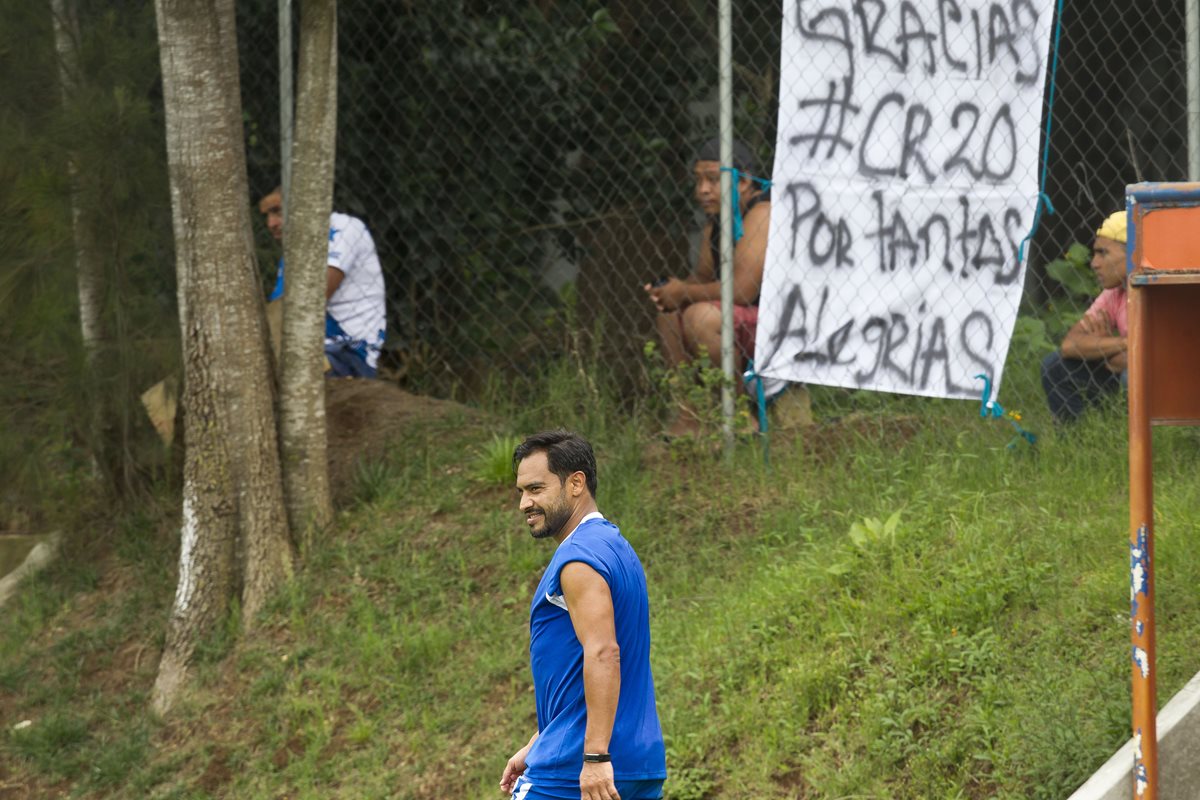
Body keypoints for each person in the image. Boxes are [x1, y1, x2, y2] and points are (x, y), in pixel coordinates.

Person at [503, 431, 666, 800]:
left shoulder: (578, 558)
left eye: (536, 489)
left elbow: (603, 653)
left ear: (576, 483)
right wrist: (542, 739)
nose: (524, 503)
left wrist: (593, 756)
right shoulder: (615, 547)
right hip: (636, 763)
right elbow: (580, 664)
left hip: (577, 769)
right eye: (521, 492)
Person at [643, 139, 804, 437]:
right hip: (744, 318)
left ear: (743, 182)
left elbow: (742, 290)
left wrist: (685, 293)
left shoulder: (763, 214)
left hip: (782, 324)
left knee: (700, 317)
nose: (701, 190)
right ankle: (690, 415)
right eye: (698, 180)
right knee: (668, 315)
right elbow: (701, 279)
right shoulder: (716, 224)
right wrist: (670, 291)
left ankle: (742, 414)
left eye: (713, 180)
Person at [257, 187, 386, 378]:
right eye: (267, 215)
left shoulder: (343, 227)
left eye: (278, 211)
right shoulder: (292, 251)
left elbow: (312, 299)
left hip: (349, 352)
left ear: (302, 205)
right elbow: (278, 312)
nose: (271, 223)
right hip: (310, 349)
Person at [1041, 211, 1129, 424]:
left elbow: (1148, 361)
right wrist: (1125, 343)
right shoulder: (1114, 293)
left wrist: (1101, 348)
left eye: (1103, 253)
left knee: (1132, 376)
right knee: (1055, 366)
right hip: (1127, 373)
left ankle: (1141, 443)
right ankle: (1076, 443)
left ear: (1134, 252)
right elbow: (1070, 345)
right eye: (1094, 254)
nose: (1094, 263)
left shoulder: (1160, 292)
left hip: (1166, 384)